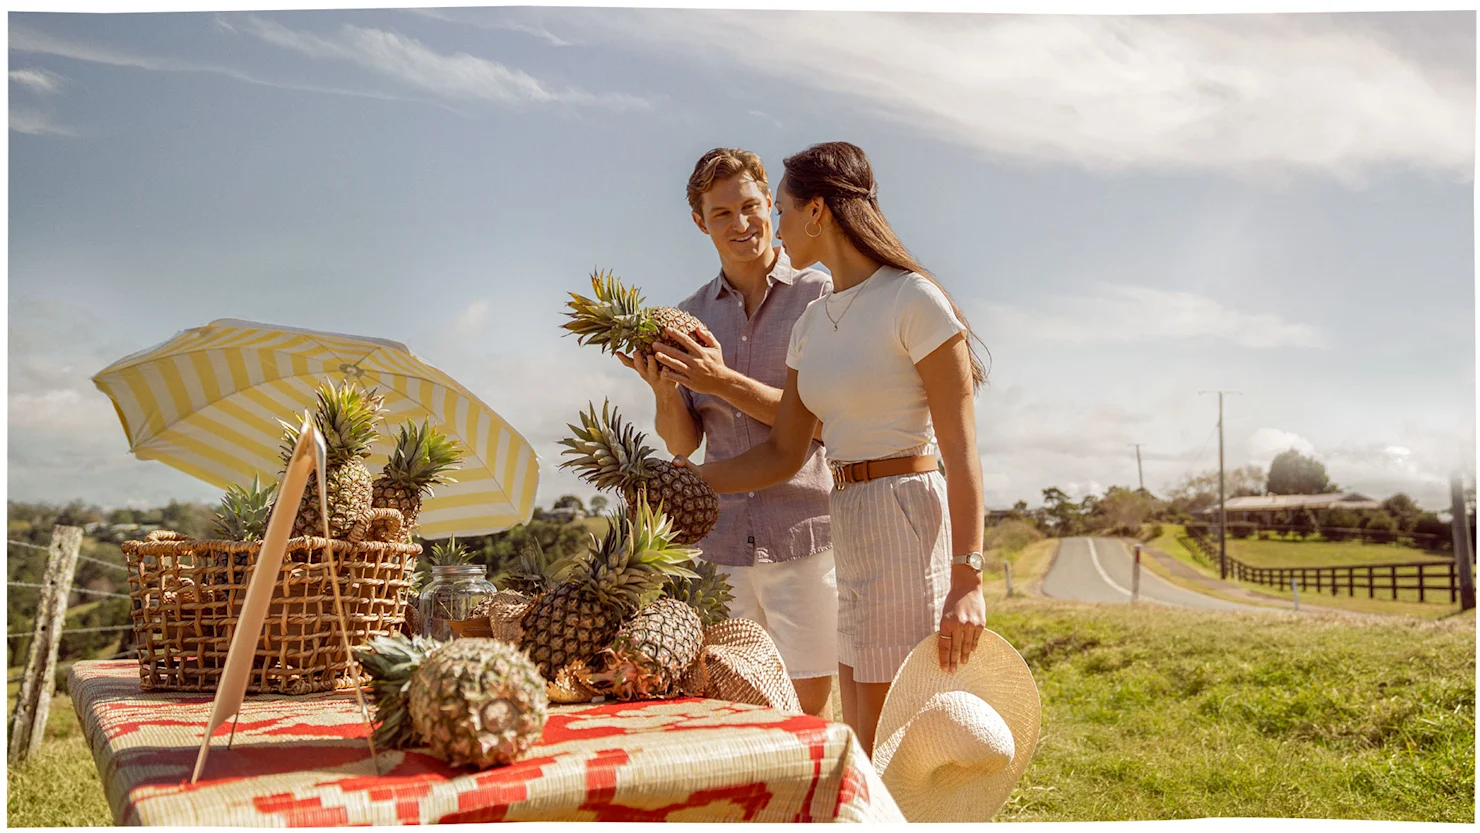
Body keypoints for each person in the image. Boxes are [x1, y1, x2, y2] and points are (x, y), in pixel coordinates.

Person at [670, 141, 990, 755]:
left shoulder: (913, 298)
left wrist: (968, 576)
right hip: (847, 515)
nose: (773, 225)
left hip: (906, 511)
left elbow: (962, 451)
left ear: (815, 212)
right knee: (862, 732)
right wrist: (671, 483)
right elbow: (783, 453)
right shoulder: (813, 324)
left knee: (900, 727)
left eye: (780, 210)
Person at [615, 147, 837, 717]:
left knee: (806, 710)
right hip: (720, 543)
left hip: (804, 535)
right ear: (700, 222)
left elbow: (816, 421)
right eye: (721, 213)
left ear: (770, 204)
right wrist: (665, 390)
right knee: (730, 708)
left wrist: (721, 380)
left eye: (750, 206)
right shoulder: (688, 315)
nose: (741, 224)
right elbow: (683, 444)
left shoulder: (820, 296)